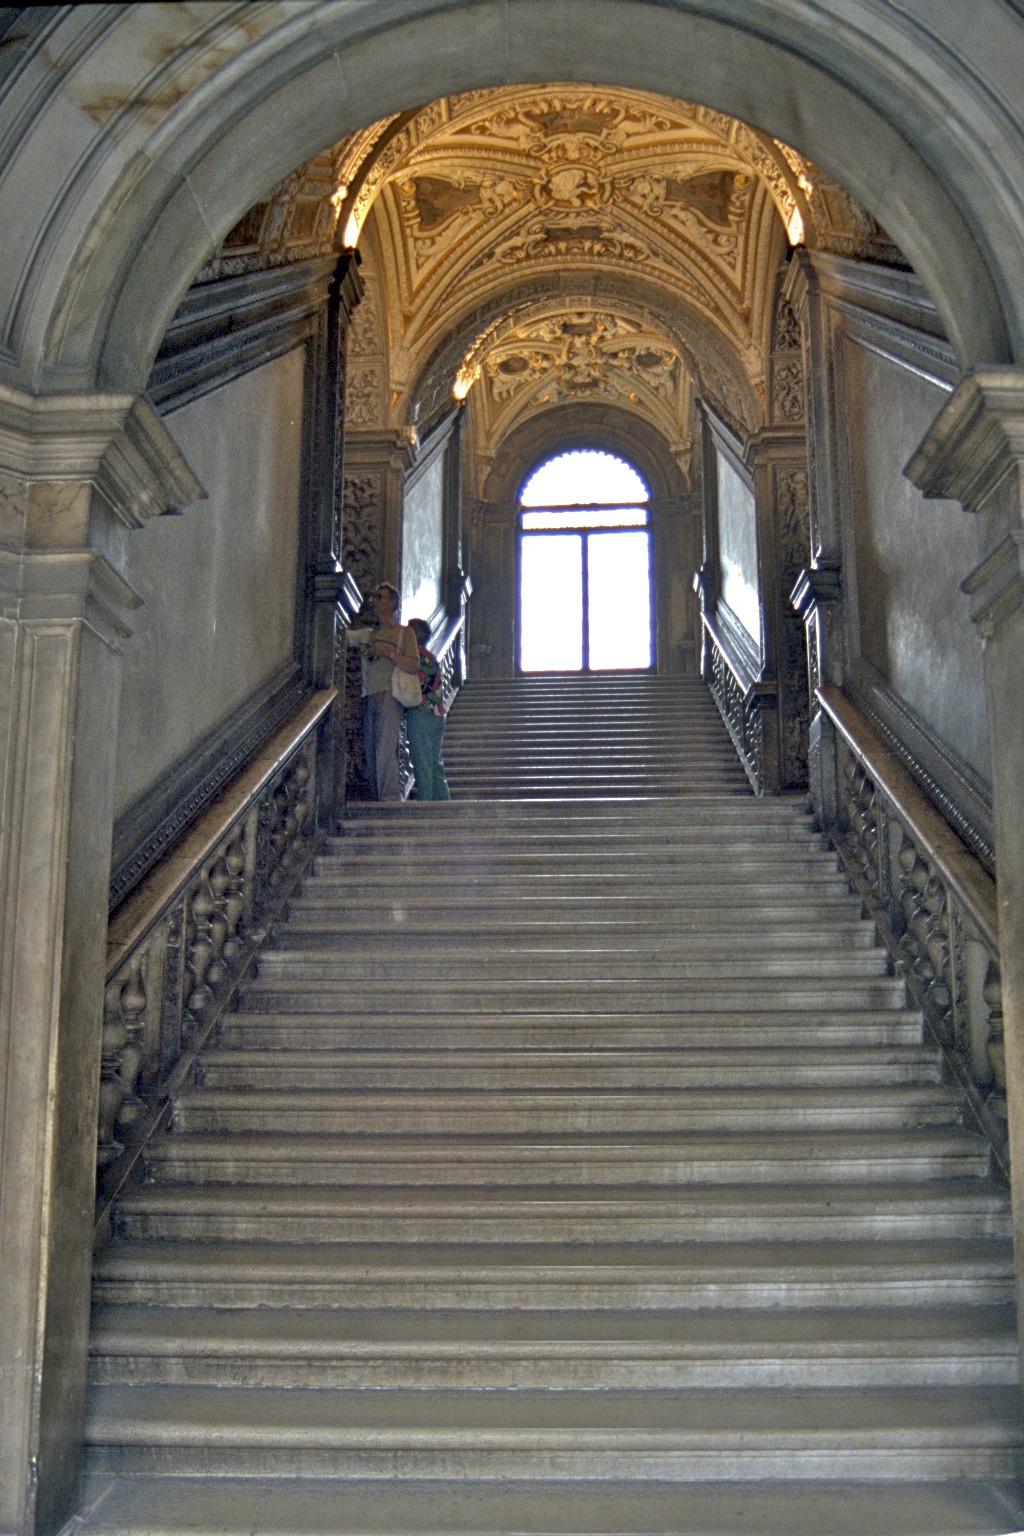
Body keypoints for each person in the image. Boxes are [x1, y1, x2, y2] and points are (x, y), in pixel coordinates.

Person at [347, 583, 418, 801]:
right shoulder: (367, 635)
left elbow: (414, 665)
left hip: (390, 693)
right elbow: (343, 635)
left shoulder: (404, 633)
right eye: (374, 597)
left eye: (380, 597)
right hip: (369, 694)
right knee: (370, 749)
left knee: (386, 747)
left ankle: (389, 800)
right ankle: (378, 798)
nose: (374, 601)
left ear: (392, 603)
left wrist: (388, 653)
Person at [392, 616, 451, 801]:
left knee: (422, 763)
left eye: (407, 631)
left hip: (421, 713)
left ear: (413, 635)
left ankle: (426, 807)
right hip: (437, 713)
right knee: (434, 763)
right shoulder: (430, 656)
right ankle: (444, 806)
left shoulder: (414, 657)